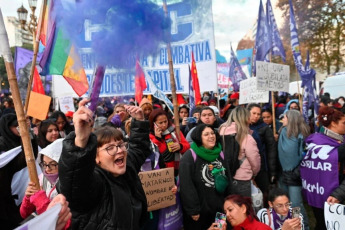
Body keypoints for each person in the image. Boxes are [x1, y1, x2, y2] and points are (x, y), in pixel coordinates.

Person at [58, 99, 151, 229]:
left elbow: (138, 148)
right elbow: (75, 182)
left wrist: (139, 121)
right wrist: (80, 141)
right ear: (96, 157)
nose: (119, 151)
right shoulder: (96, 183)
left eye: (120, 145)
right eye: (110, 148)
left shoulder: (127, 168)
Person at [300, 106, 345, 230]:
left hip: (336, 192)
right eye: (344, 123)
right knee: (322, 223)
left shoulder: (341, 143)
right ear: (333, 124)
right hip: (317, 192)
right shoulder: (313, 140)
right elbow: (304, 162)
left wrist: (339, 194)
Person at [180, 124, 232, 229]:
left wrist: (230, 203)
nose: (211, 136)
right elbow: (186, 185)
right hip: (200, 212)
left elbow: (228, 179)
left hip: (220, 209)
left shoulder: (220, 153)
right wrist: (193, 210)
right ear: (199, 137)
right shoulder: (189, 156)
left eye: (212, 133)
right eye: (206, 134)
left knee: (220, 228)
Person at [0, 114, 38, 229]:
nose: (17, 128)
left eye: (18, 126)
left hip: (6, 211)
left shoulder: (4, 161)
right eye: (15, 126)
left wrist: (27, 133)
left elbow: (27, 158)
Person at [219, 107, 260, 197]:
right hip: (242, 178)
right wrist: (254, 173)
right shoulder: (246, 137)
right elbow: (255, 160)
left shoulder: (221, 133)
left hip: (224, 176)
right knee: (244, 208)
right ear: (244, 119)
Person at [278, 110, 310, 229]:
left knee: (296, 204)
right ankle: (291, 225)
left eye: (285, 117)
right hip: (283, 173)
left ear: (291, 119)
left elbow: (306, 155)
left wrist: (297, 171)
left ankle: (303, 226)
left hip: (295, 174)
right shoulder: (282, 131)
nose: (283, 120)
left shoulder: (302, 135)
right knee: (285, 203)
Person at [20, 139, 64, 219]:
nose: (47, 169)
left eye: (53, 164)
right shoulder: (41, 179)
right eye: (44, 164)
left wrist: (40, 199)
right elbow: (24, 214)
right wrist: (28, 198)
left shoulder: (70, 185)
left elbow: (56, 220)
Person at [247, 103, 278, 202]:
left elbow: (271, 150)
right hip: (245, 168)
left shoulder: (264, 127)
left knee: (265, 193)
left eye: (258, 114)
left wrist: (272, 171)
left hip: (261, 166)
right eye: (254, 113)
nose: (256, 116)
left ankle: (266, 214)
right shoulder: (241, 126)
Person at [149, 109, 190, 173]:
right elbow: (155, 154)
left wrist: (180, 146)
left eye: (165, 121)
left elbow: (187, 146)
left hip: (177, 168)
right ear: (154, 124)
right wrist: (157, 139)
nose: (164, 125)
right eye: (160, 123)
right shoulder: (150, 136)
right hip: (159, 172)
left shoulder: (175, 131)